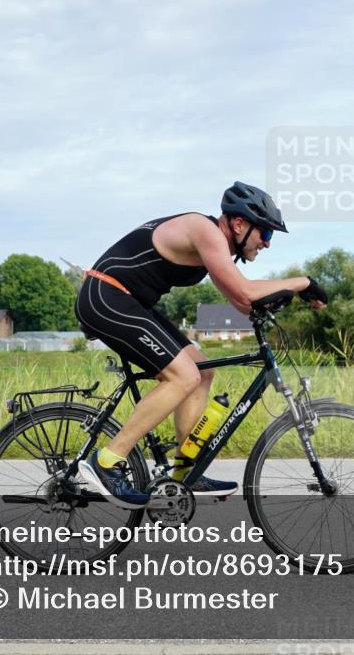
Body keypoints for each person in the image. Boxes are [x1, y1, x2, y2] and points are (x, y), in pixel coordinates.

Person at [75, 182, 328, 509]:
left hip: (129, 302)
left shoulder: (216, 245)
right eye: (265, 234)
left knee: (202, 372)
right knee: (184, 376)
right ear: (239, 224)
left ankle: (184, 473)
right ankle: (107, 461)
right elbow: (245, 293)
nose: (266, 244)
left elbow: (241, 302)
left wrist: (286, 296)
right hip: (106, 297)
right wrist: (302, 282)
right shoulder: (204, 229)